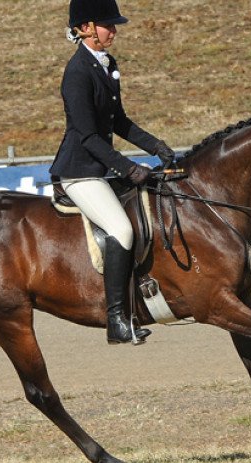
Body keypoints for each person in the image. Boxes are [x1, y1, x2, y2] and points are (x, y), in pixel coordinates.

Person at [49, 0, 175, 345]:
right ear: (86, 28)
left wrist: (156, 147)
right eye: (108, 25)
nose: (114, 30)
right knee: (120, 229)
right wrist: (128, 168)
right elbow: (88, 136)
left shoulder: (106, 64)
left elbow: (118, 121)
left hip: (99, 167)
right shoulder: (76, 73)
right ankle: (117, 320)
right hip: (79, 171)